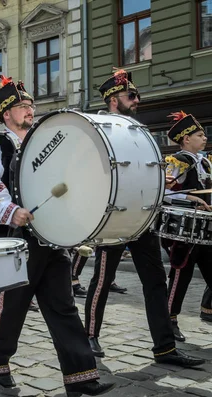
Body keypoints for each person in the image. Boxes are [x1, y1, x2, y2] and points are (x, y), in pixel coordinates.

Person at [0, 75, 114, 396]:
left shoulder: (43, 141)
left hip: (50, 237)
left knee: (62, 304)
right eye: (23, 107)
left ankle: (81, 375)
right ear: (6, 114)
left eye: (31, 105)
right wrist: (13, 212)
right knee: (12, 304)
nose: (30, 111)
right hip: (16, 236)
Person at [83, 69, 204, 368]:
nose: (137, 101)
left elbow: (152, 175)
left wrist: (173, 191)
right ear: (113, 100)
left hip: (143, 217)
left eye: (137, 96)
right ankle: (88, 336)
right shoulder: (98, 129)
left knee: (155, 282)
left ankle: (165, 348)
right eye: (131, 96)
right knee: (102, 280)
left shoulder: (139, 132)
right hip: (113, 218)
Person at [162, 111, 212, 341]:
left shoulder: (204, 161)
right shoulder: (178, 161)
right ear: (186, 139)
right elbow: (164, 193)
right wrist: (191, 199)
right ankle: (169, 320)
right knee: (181, 275)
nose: (204, 138)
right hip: (185, 230)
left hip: (206, 229)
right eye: (200, 135)